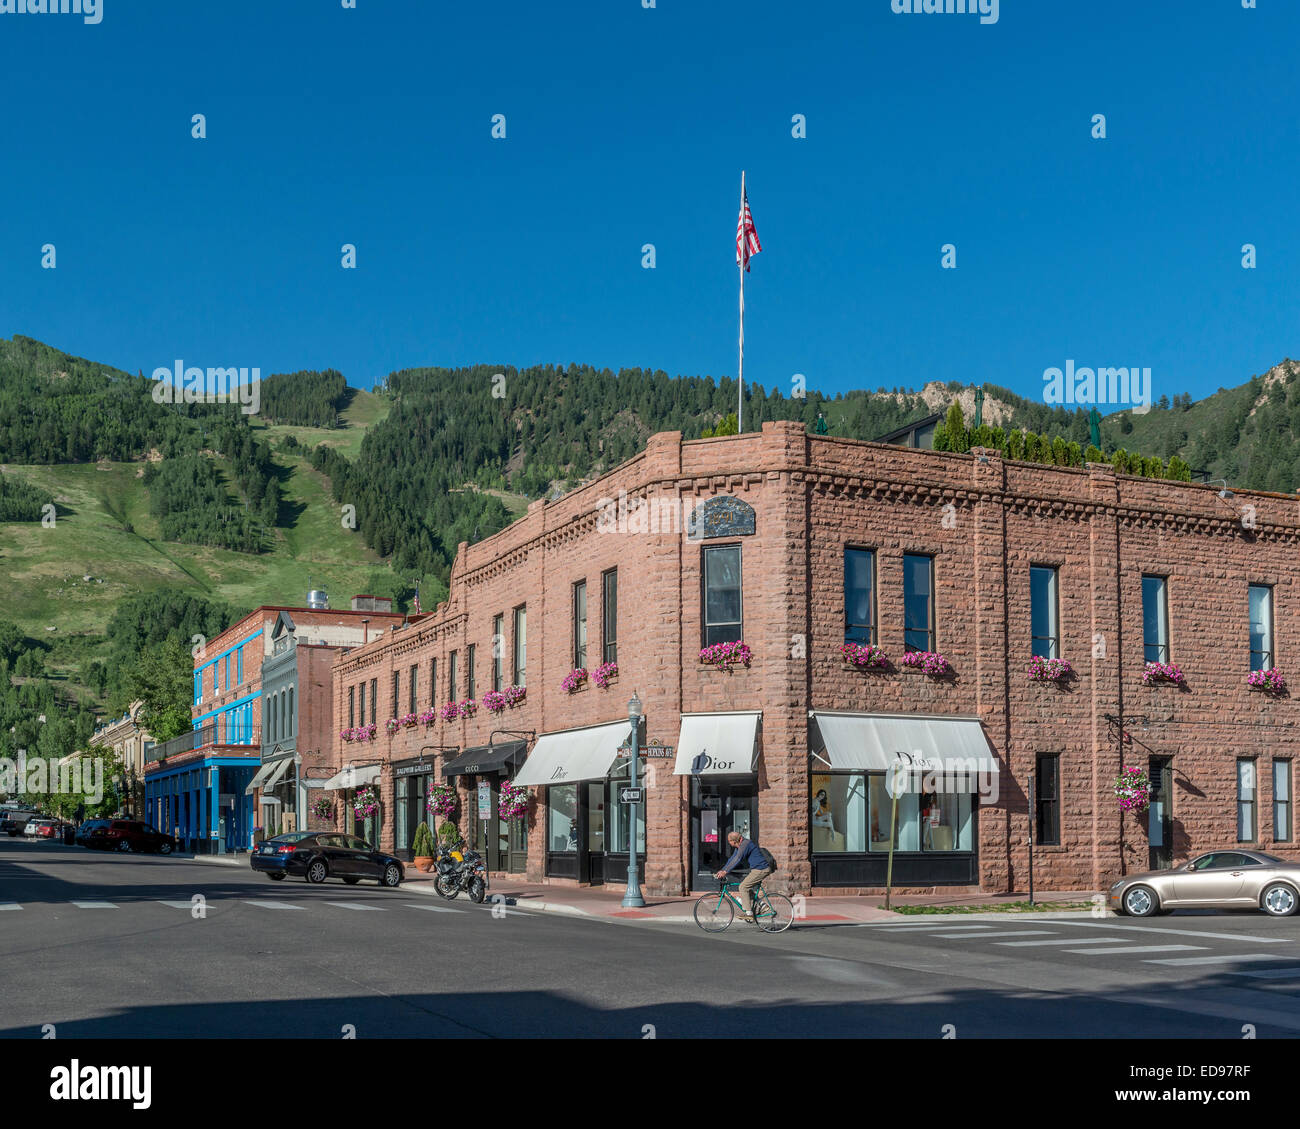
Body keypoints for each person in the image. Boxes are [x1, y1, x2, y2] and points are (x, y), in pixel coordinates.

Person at [713, 830, 770, 923]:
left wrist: (725, 871)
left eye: (731, 843)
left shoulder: (745, 844)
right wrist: (723, 870)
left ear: (736, 841)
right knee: (746, 887)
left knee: (743, 887)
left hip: (761, 869)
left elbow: (738, 859)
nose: (731, 845)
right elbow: (732, 858)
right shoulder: (740, 845)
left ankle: (749, 914)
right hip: (757, 869)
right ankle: (762, 905)